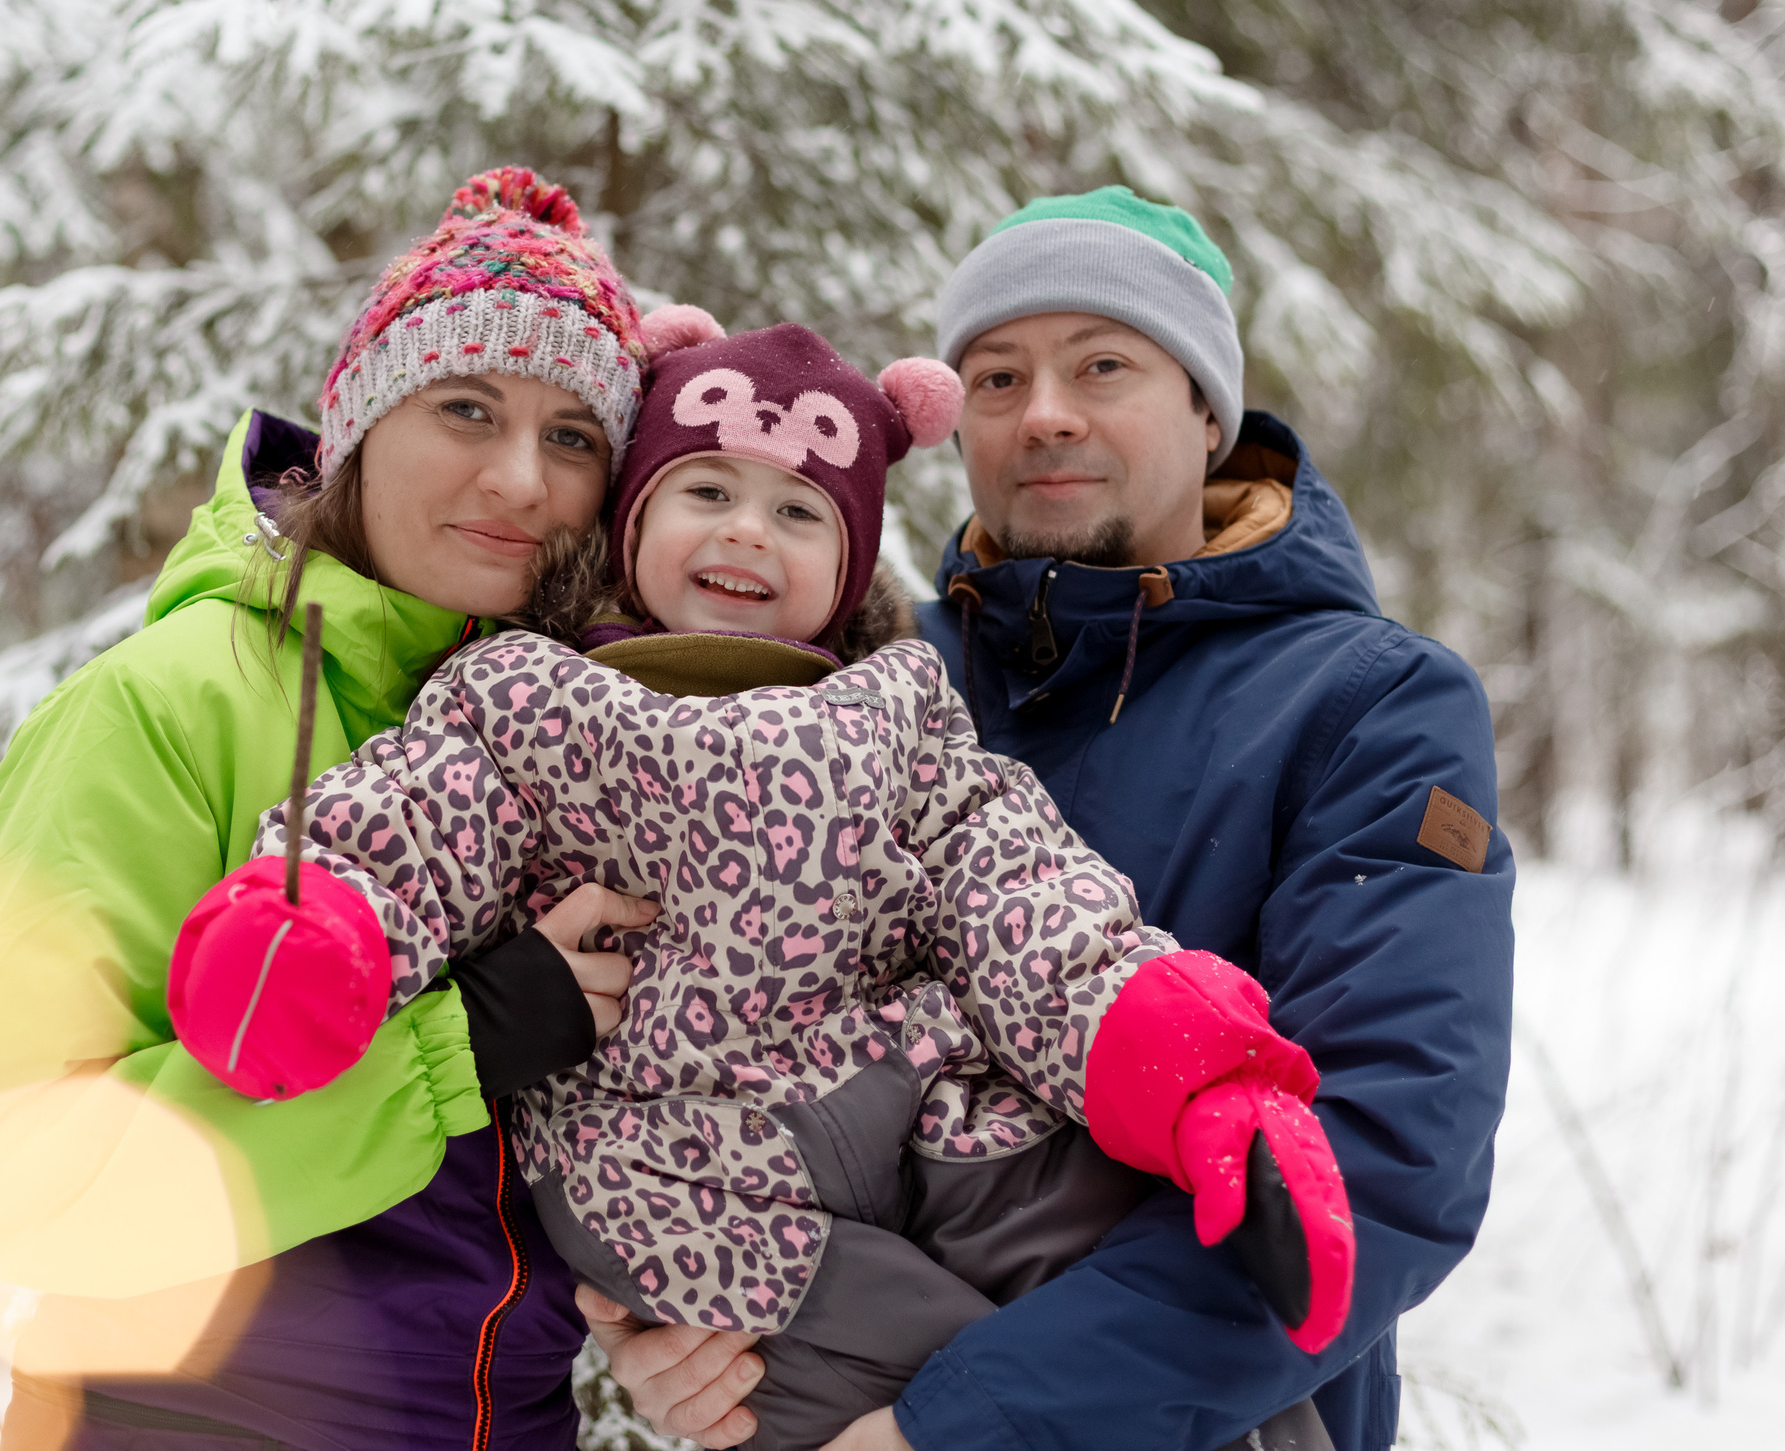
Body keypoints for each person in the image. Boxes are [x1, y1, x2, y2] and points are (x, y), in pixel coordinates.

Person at [168, 317, 1358, 1451]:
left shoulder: (898, 708)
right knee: (889, 1385)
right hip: (684, 1176)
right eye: (706, 492)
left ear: (847, 571)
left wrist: (1180, 1061)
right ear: (631, 522)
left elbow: (1018, 891)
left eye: (798, 512)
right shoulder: (526, 696)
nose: (747, 532)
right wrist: (311, 932)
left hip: (922, 1090)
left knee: (1126, 1291)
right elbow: (410, 826)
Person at [592, 187, 1516, 1451]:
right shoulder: (867, 683)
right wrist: (685, 1316)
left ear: (1207, 409)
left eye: (1102, 365)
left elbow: (1384, 1151)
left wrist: (957, 1429)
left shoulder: (1364, 703)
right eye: (997, 375)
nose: (1044, 413)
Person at [0, 168, 666, 1451]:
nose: (521, 480)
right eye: (466, 408)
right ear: (359, 427)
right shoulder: (164, 708)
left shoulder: (596, 741)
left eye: (574, 436)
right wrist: (446, 1057)